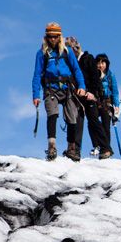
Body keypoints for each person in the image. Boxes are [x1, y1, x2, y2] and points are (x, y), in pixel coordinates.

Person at [31, 22, 87, 161]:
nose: (53, 39)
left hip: (67, 88)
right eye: (50, 37)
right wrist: (36, 95)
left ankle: (71, 148)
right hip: (51, 89)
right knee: (52, 114)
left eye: (55, 37)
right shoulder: (42, 53)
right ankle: (51, 147)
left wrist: (82, 86)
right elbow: (37, 75)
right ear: (46, 37)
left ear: (59, 36)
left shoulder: (67, 51)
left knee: (72, 118)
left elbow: (76, 70)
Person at [64, 36, 112, 161]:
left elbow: (95, 78)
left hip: (90, 95)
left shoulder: (88, 58)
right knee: (78, 121)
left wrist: (94, 94)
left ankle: (106, 148)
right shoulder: (70, 62)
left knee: (94, 121)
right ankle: (76, 150)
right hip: (78, 97)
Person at [96, 53, 120, 154]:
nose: (100, 65)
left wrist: (116, 105)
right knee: (95, 123)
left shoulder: (110, 75)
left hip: (107, 102)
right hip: (96, 101)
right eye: (98, 63)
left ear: (106, 64)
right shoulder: (94, 75)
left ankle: (106, 148)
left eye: (103, 63)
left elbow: (115, 91)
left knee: (106, 125)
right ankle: (98, 145)